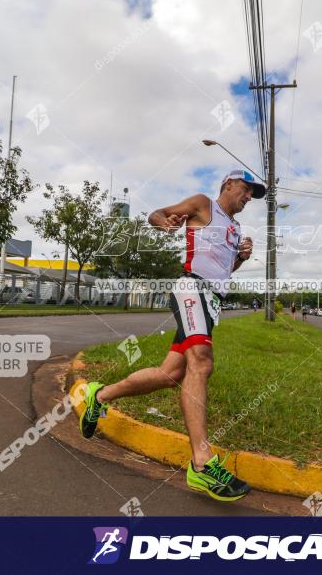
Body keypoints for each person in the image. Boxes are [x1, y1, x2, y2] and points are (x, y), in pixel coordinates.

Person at [79, 168, 264, 502]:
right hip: (190, 288)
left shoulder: (235, 228)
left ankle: (100, 395)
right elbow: (157, 213)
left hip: (212, 301)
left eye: (252, 193)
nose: (249, 196)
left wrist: (240, 258)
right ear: (228, 184)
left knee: (170, 374)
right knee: (202, 364)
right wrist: (163, 222)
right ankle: (202, 464)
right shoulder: (203, 204)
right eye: (246, 189)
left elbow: (224, 270)